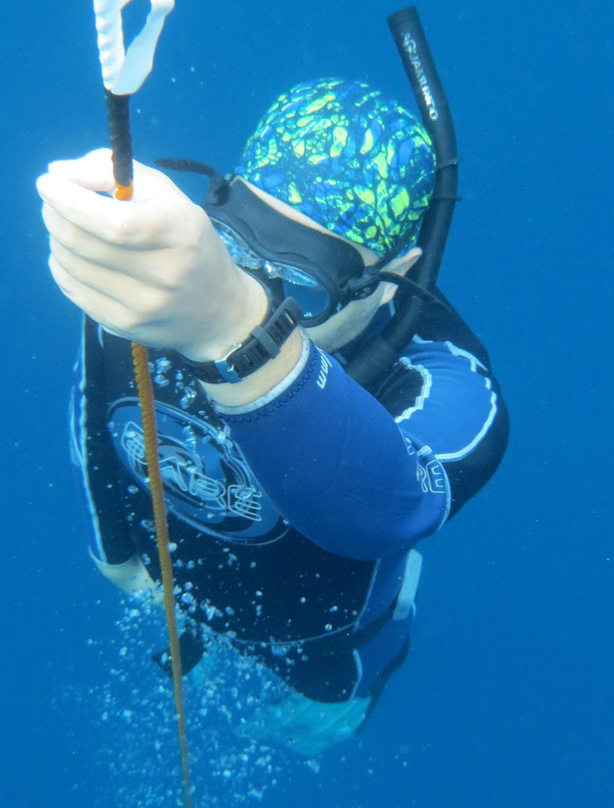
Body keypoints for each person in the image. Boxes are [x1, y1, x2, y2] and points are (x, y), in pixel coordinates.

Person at [37, 78, 509, 755]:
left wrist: (237, 331)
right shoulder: (174, 279)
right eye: (234, 246)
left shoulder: (446, 383)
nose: (253, 288)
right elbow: (99, 407)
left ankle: (387, 630)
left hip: (325, 639)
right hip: (182, 576)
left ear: (391, 277)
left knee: (337, 696)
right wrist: (115, 552)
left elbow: (386, 512)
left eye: (305, 283)